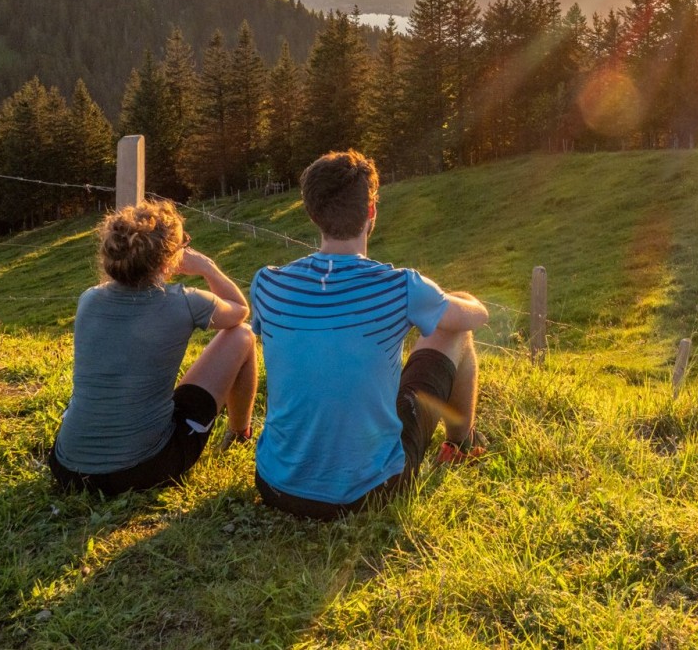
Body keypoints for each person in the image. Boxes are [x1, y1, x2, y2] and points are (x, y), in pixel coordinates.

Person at [250, 149, 489, 520]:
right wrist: (462, 300)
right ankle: (460, 444)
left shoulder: (268, 284)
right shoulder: (401, 286)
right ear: (372, 210)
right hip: (368, 492)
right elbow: (473, 317)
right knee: (455, 333)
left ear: (312, 213)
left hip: (275, 485)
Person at [48, 200, 256, 495]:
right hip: (142, 469)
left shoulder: (89, 299)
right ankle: (239, 434)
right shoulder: (185, 300)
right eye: (183, 243)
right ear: (168, 259)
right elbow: (239, 311)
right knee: (243, 335)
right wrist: (208, 268)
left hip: (67, 468)